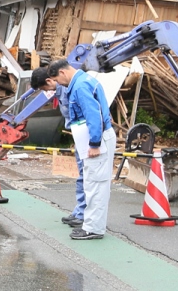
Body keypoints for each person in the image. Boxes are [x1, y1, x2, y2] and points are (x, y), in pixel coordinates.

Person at [48, 59, 116, 240]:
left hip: (96, 140)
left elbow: (94, 115)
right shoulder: (83, 80)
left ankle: (93, 228)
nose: (59, 85)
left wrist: (94, 144)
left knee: (95, 184)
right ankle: (91, 226)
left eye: (57, 80)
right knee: (93, 183)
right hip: (95, 138)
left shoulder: (79, 87)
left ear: (62, 73)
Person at [31, 67, 85, 229]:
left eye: (44, 89)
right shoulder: (62, 90)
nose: (46, 92)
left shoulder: (70, 88)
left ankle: (83, 215)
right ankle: (80, 211)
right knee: (82, 175)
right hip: (79, 135)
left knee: (85, 176)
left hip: (85, 136)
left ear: (49, 81)